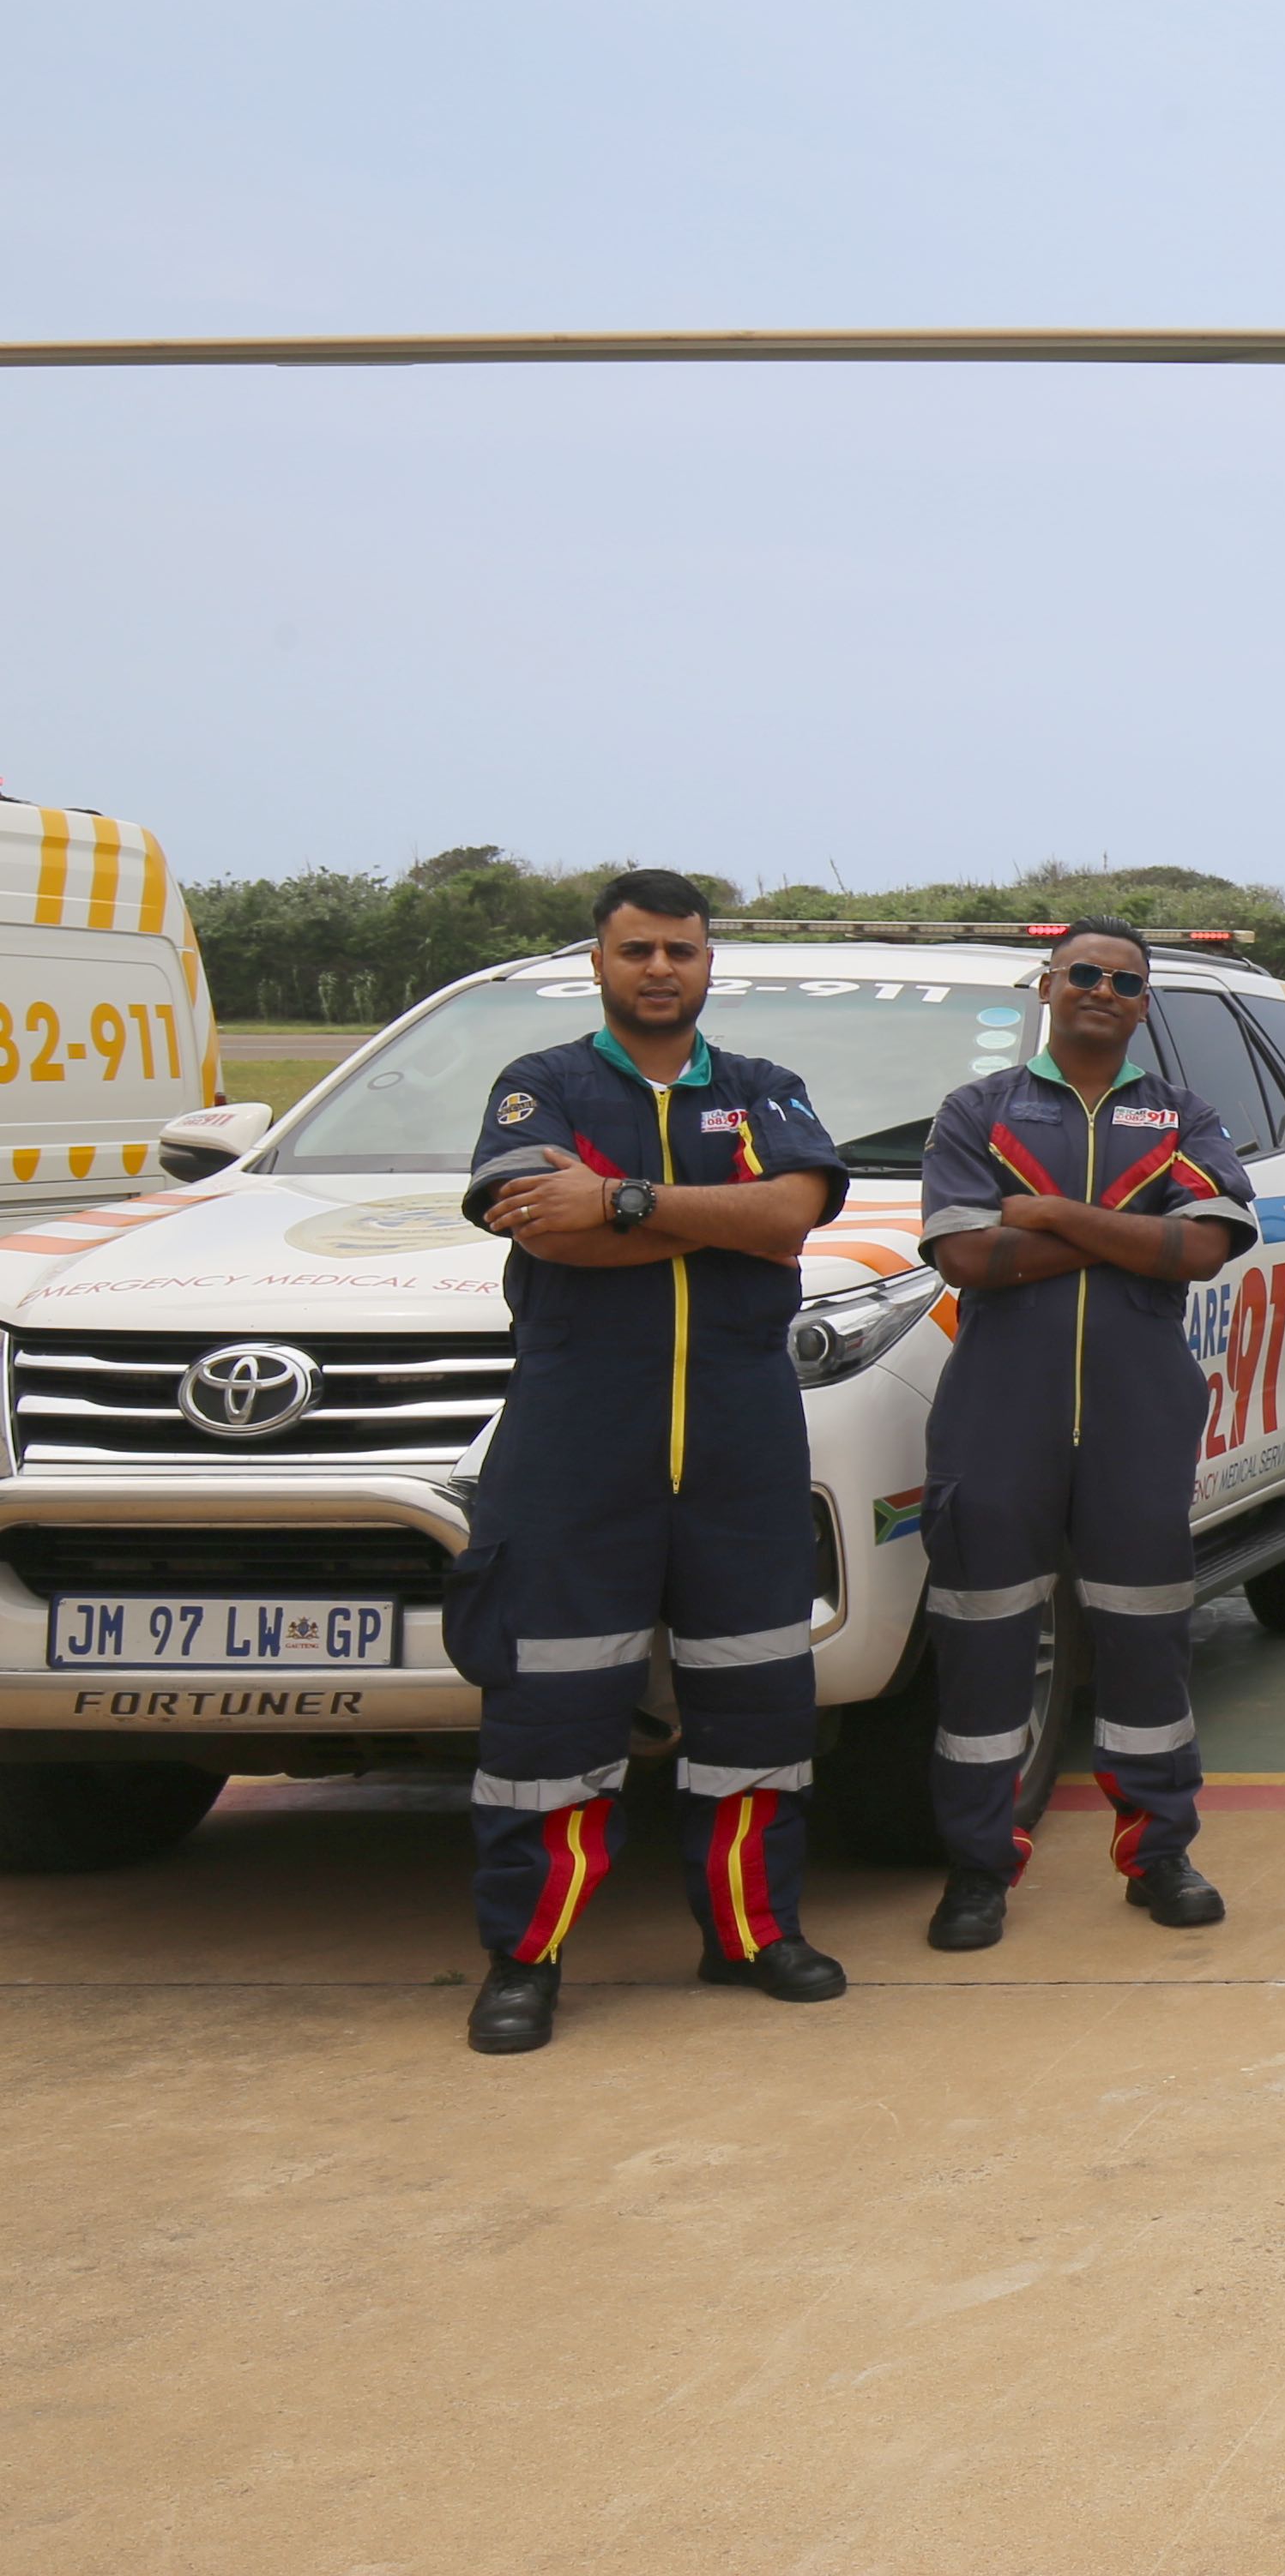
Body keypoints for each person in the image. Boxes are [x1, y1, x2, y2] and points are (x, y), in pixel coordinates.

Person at [450, 870, 855, 2055]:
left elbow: (788, 1219)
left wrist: (622, 1200)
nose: (661, 969)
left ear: (710, 961)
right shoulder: (541, 1086)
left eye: (681, 949)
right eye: (637, 950)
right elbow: (542, 1227)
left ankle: (752, 1934)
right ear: (599, 963)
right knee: (551, 1713)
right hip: (578, 1447)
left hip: (740, 1444)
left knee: (758, 1701)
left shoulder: (762, 1089)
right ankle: (526, 1960)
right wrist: (715, 1221)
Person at [910, 922, 1258, 1948]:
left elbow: (1202, 1251)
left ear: (1145, 1003)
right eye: (1085, 974)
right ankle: (977, 1870)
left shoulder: (1184, 1113)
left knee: (1148, 1641)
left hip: (1138, 1410)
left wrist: (1052, 1215)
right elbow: (969, 1259)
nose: (1103, 990)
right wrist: (1133, 1234)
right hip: (997, 1411)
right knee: (983, 1645)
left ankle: (1159, 1855)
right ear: (1048, 985)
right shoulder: (978, 1110)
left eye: (1125, 980)